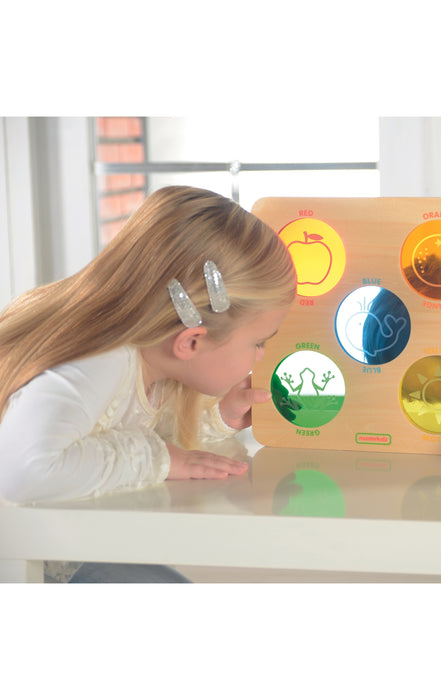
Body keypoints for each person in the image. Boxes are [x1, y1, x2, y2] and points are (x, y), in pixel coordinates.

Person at [0, 185, 297, 582]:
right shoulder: (102, 361)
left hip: (63, 549)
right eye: (259, 343)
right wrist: (159, 459)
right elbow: (25, 471)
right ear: (190, 342)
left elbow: (127, 432)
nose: (261, 356)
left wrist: (217, 420)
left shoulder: (154, 365)